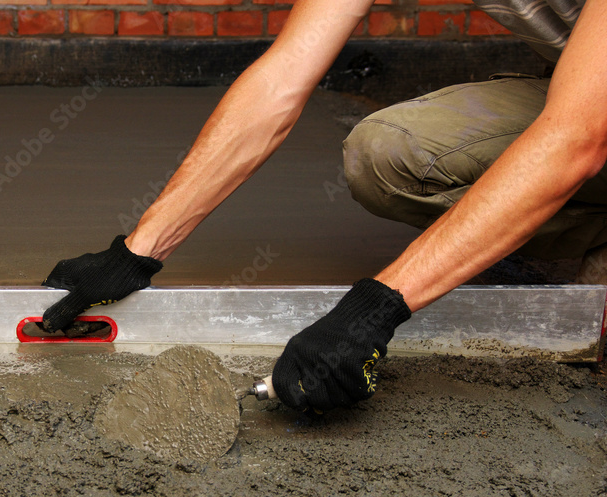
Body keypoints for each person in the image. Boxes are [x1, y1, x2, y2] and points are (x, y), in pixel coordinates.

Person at [40, 0, 607, 413]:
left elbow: (575, 138)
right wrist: (140, 251)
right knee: (388, 154)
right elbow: (283, 79)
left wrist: (375, 310)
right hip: (586, 82)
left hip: (590, 110)